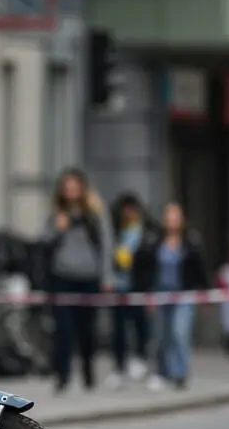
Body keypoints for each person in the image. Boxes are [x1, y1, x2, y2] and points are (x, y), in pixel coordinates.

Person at [42, 168, 112, 393]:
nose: (71, 191)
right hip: (63, 276)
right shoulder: (57, 214)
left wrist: (106, 276)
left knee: (87, 330)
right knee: (63, 330)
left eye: (74, 186)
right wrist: (58, 229)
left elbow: (106, 244)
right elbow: (43, 240)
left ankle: (88, 372)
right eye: (67, 187)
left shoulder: (94, 213)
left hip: (88, 277)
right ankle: (62, 376)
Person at [132, 202, 208, 390]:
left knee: (179, 332)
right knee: (161, 335)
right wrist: (146, 293)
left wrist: (205, 292)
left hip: (183, 294)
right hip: (160, 293)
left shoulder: (190, 242)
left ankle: (180, 372)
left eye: (176, 217)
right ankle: (163, 370)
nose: (172, 221)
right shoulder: (153, 242)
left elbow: (199, 269)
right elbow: (142, 268)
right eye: (169, 217)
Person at [106, 192, 153, 389]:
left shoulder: (146, 233)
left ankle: (140, 358)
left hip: (138, 287)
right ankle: (119, 365)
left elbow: (150, 261)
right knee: (118, 328)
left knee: (140, 325)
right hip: (119, 286)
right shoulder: (115, 233)